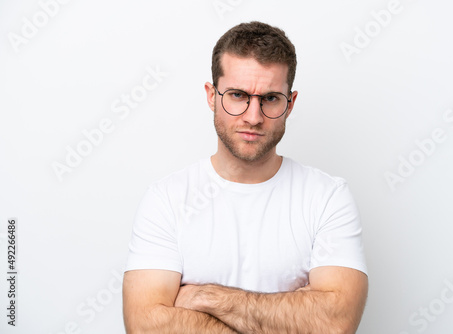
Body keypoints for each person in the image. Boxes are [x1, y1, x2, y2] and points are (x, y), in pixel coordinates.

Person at [123, 21, 368, 334]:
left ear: (290, 104)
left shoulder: (327, 197)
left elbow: (336, 323)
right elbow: (145, 326)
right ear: (212, 96)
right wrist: (289, 313)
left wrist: (202, 296)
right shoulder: (167, 200)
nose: (253, 117)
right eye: (238, 95)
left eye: (270, 99)